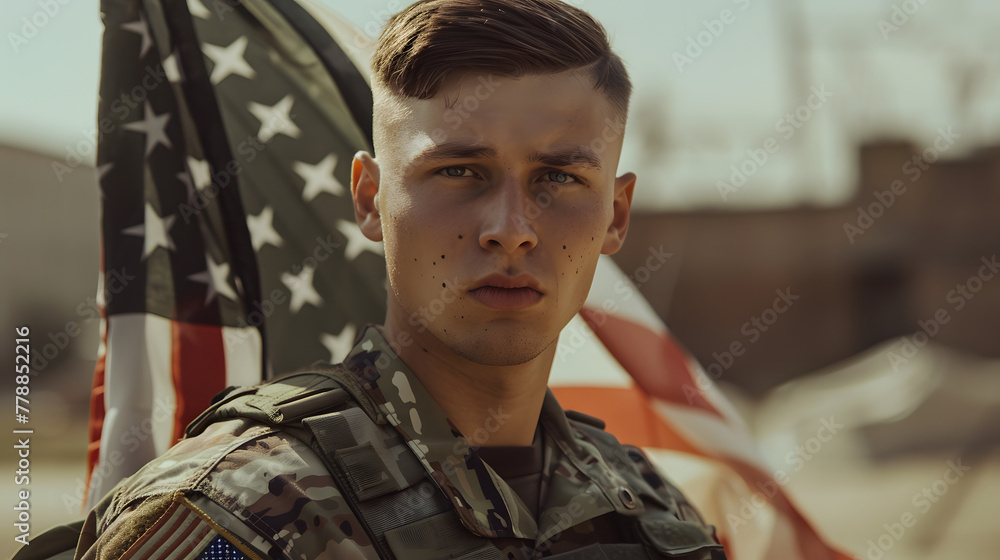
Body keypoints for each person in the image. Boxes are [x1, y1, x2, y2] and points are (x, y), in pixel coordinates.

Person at [63, 0, 727, 558]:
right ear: (368, 199)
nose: (511, 228)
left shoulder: (651, 508)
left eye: (559, 177)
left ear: (616, 215)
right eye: (459, 171)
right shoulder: (240, 515)